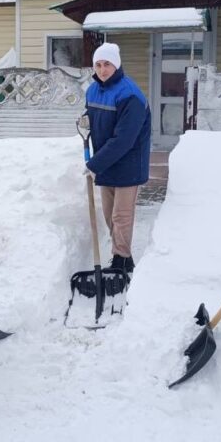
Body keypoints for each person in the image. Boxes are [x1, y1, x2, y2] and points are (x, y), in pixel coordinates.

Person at [84, 42, 152, 276]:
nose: (102, 70)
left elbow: (124, 139)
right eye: (99, 64)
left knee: (121, 215)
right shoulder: (92, 90)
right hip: (107, 160)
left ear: (117, 65)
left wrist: (94, 164)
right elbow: (91, 118)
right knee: (108, 214)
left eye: (107, 64)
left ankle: (122, 259)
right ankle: (122, 254)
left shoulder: (130, 94)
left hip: (128, 162)